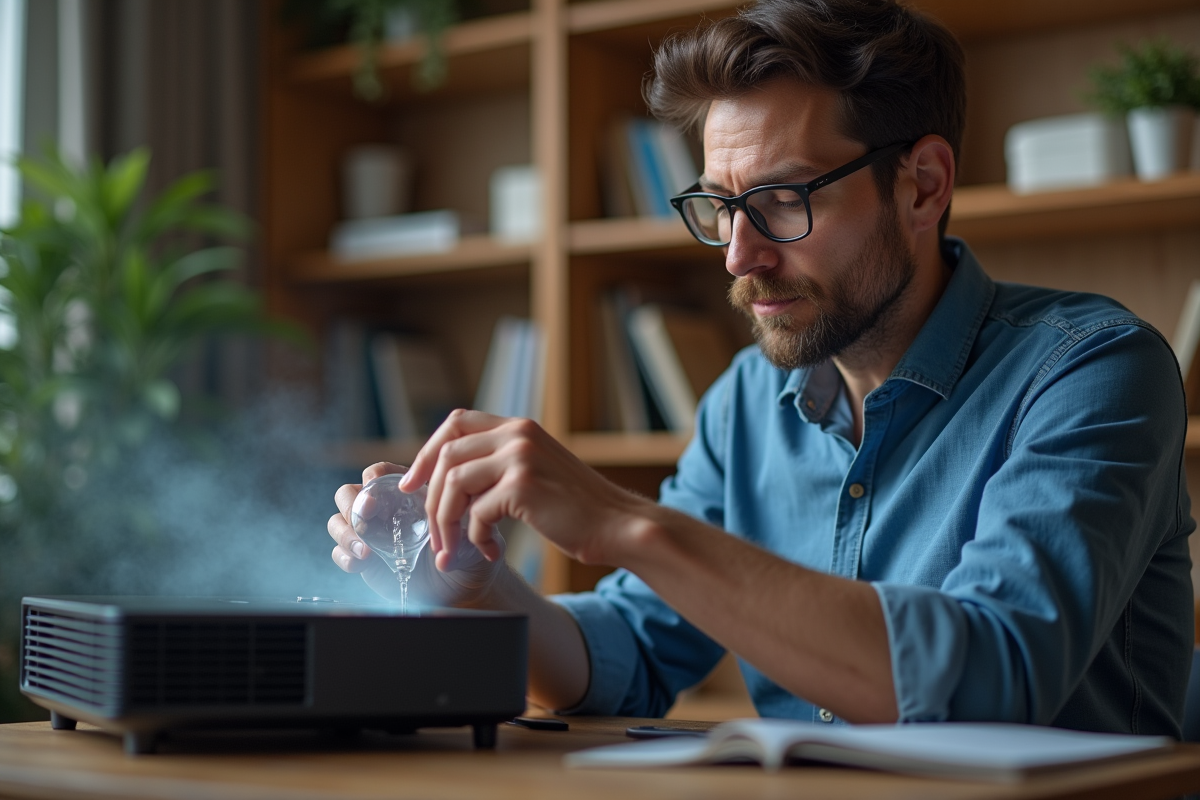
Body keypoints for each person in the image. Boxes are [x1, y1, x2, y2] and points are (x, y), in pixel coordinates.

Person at [329, 0, 1194, 735]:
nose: (739, 256)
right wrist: (472, 593)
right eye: (719, 206)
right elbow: (630, 656)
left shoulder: (1091, 369)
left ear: (924, 185)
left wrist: (622, 522)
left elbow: (993, 675)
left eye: (783, 200)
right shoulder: (746, 401)